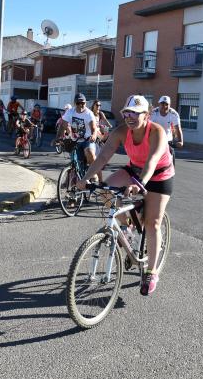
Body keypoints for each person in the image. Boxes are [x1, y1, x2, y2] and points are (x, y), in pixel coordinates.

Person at [76, 95, 174, 296]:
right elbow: (103, 156)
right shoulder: (121, 131)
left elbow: (153, 161)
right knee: (104, 190)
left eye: (135, 114)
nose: (129, 117)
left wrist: (140, 184)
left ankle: (151, 271)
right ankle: (127, 229)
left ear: (146, 115)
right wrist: (85, 178)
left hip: (159, 174)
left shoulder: (156, 132)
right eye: (126, 113)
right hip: (134, 169)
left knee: (152, 222)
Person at [56, 93, 99, 179]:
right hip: (75, 140)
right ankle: (68, 181)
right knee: (73, 162)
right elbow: (63, 125)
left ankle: (93, 172)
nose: (81, 105)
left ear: (85, 103)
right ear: (75, 104)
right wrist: (58, 138)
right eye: (78, 103)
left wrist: (93, 135)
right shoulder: (70, 112)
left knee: (89, 152)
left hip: (87, 140)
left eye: (83, 103)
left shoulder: (89, 114)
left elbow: (94, 128)